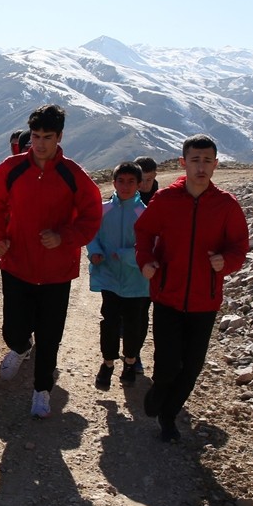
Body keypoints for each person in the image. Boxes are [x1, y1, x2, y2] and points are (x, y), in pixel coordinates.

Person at [0, 103, 102, 419]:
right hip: (17, 264)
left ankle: (42, 390)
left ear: (59, 137)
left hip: (56, 271)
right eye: (35, 136)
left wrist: (64, 236)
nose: (39, 144)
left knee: (50, 336)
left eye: (47, 137)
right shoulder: (11, 169)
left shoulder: (73, 175)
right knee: (13, 329)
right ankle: (21, 347)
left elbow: (92, 216)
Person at [134, 134, 249, 443]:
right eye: (195, 160)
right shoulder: (165, 200)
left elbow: (239, 246)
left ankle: (168, 416)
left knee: (192, 367)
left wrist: (226, 261)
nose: (201, 167)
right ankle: (159, 389)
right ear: (183, 163)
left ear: (216, 164)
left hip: (205, 300)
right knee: (168, 364)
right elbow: (143, 232)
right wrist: (145, 260)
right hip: (167, 296)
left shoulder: (226, 205)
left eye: (207, 161)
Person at [88, 162, 149, 391]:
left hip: (137, 280)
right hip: (110, 277)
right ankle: (108, 363)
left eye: (131, 181)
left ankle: (130, 362)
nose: (125, 186)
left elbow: (150, 246)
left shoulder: (145, 214)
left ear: (139, 185)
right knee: (109, 321)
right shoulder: (103, 210)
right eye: (121, 181)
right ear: (114, 183)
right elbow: (92, 234)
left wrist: (125, 255)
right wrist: (95, 252)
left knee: (134, 324)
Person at [132, 155, 160, 372]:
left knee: (142, 312)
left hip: (150, 265)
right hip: (126, 266)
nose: (144, 185)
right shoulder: (125, 198)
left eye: (148, 180)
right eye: (141, 180)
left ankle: (135, 355)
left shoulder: (162, 201)